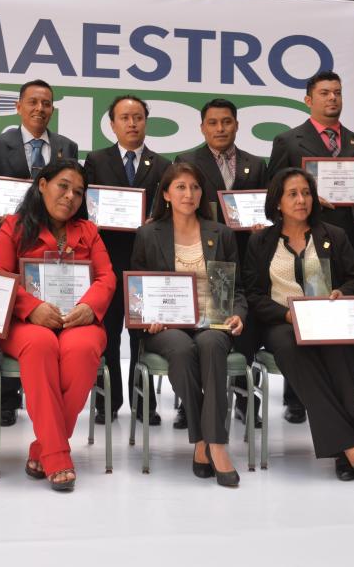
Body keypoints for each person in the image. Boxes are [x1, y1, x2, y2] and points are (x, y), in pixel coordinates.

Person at [243, 168, 354, 485]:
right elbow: (253, 295)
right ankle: (353, 449)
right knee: (293, 349)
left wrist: (341, 292)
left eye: (306, 193)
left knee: (340, 354)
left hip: (329, 320)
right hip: (282, 322)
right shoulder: (261, 241)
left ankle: (344, 452)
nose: (301, 200)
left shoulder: (334, 235)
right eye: (292, 194)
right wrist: (285, 314)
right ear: (277, 201)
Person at [0, 160, 115, 491]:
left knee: (83, 348)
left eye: (78, 192)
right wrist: (31, 308)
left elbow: (106, 277)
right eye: (63, 186)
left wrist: (89, 306)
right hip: (25, 323)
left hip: (77, 319)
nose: (71, 196)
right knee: (41, 345)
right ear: (42, 185)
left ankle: (42, 449)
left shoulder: (88, 231)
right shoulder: (13, 226)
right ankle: (57, 456)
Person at [267, 70, 354, 424]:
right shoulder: (288, 140)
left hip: (347, 243)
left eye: (338, 92)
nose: (333, 98)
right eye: (325, 93)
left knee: (345, 322)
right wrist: (308, 200)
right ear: (308, 99)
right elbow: (274, 192)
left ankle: (348, 397)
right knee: (302, 316)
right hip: (303, 241)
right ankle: (297, 399)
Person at [131, 162, 247, 487]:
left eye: (195, 187)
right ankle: (210, 439)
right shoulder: (148, 234)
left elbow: (236, 290)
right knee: (182, 350)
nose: (189, 193)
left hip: (213, 321)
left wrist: (238, 314)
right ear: (166, 194)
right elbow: (137, 289)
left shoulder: (220, 233)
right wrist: (146, 317)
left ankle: (210, 444)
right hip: (166, 327)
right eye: (180, 187)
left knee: (210, 344)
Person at [0, 79, 79, 428]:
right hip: (13, 242)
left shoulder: (67, 146)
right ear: (19, 106)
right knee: (8, 311)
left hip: (56, 248)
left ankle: (49, 398)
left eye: (46, 103)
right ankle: (7, 400)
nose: (40, 109)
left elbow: (72, 193)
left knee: (50, 318)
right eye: (33, 102)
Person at [175, 98, 267, 430]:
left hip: (248, 256)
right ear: (202, 127)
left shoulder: (256, 164)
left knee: (244, 325)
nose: (220, 128)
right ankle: (190, 403)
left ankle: (245, 397)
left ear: (237, 125)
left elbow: (266, 207)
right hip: (206, 257)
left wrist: (263, 224)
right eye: (213, 123)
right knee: (205, 331)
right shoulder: (187, 161)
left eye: (227, 122)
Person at [84, 95, 170, 425]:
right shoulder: (96, 160)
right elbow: (84, 207)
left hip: (146, 264)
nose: (132, 123)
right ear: (112, 124)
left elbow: (169, 212)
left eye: (138, 117)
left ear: (146, 122)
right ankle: (106, 402)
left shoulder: (163, 165)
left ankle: (143, 404)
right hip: (106, 261)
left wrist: (156, 221)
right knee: (106, 334)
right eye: (125, 117)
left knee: (141, 337)